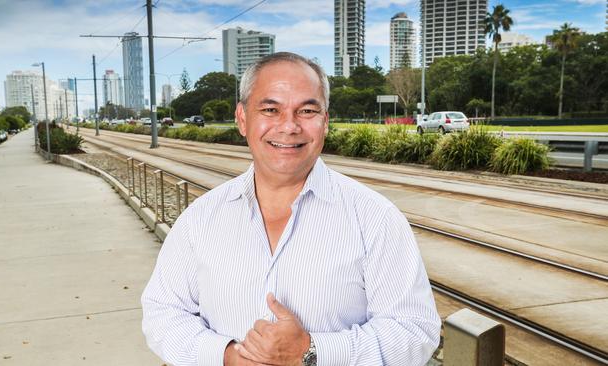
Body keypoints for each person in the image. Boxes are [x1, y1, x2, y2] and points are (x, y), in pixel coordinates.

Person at [141, 52, 441, 366]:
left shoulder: (375, 218)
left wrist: (311, 352)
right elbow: (163, 312)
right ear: (242, 119)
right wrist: (227, 356)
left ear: (325, 122)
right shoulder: (200, 219)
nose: (289, 126)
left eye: (307, 110)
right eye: (270, 109)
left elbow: (414, 331)